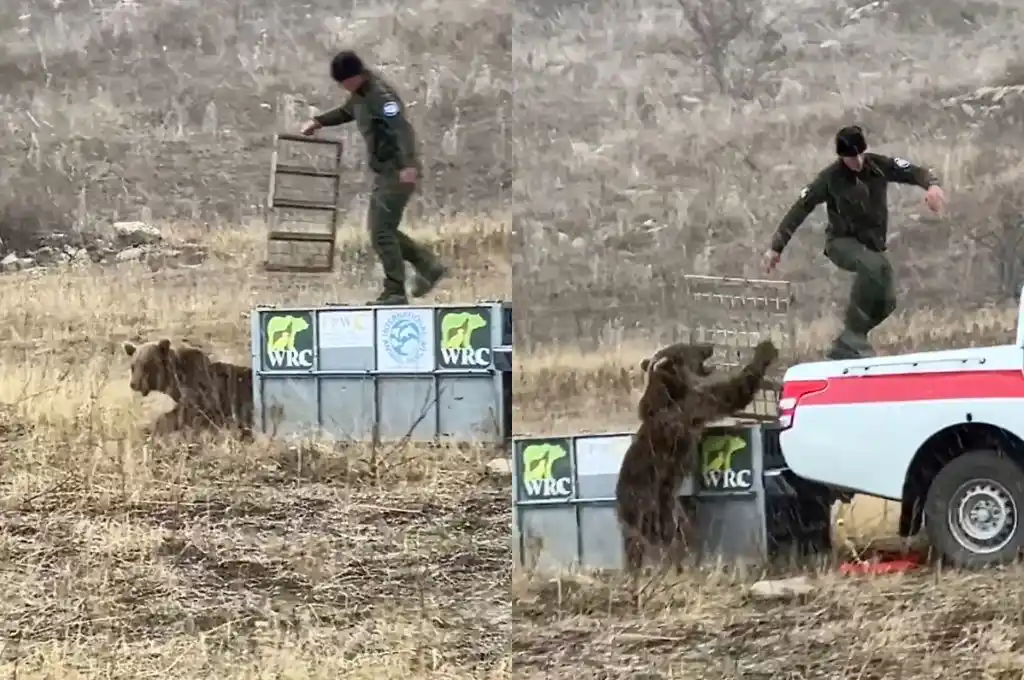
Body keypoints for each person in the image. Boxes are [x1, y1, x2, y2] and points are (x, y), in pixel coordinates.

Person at [763, 125, 947, 359]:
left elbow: (913, 171)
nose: (858, 161)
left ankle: (849, 341)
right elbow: (800, 208)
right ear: (841, 157)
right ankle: (852, 337)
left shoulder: (878, 165)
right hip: (841, 242)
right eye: (851, 158)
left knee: (887, 301)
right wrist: (776, 247)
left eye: (860, 154)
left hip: (872, 246)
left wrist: (932, 185)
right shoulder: (829, 178)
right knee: (870, 267)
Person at [300, 50, 447, 305]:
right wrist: (318, 122)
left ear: (354, 76)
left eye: (344, 82)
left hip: (397, 171)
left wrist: (408, 164)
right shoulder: (360, 96)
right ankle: (428, 266)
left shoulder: (380, 95)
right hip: (385, 172)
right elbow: (347, 111)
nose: (343, 88)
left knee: (380, 232)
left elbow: (401, 128)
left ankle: (395, 291)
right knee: (383, 230)